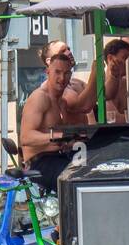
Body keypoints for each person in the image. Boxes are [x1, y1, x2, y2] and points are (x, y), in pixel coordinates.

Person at [18, 52, 88, 191]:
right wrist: (57, 137)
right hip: (39, 163)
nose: (62, 78)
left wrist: (72, 140)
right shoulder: (39, 97)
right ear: (47, 72)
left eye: (67, 73)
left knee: (91, 168)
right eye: (57, 72)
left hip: (58, 157)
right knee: (77, 180)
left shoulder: (61, 102)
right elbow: (26, 137)